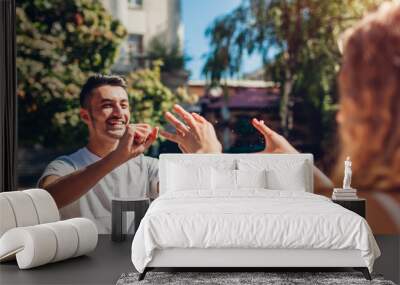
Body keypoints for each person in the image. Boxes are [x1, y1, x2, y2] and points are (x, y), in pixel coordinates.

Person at [248, 2, 400, 234]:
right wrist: (300, 164)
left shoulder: (374, 217)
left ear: (376, 110)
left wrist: (207, 154)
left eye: (349, 96)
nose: (340, 116)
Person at [38, 75, 221, 233]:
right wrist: (116, 158)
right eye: (107, 105)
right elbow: (46, 200)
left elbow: (188, 195)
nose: (118, 113)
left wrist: (205, 158)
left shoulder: (149, 166)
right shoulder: (65, 165)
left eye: (124, 105)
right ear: (86, 116)